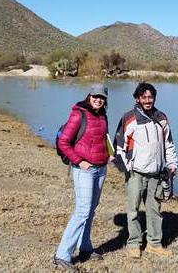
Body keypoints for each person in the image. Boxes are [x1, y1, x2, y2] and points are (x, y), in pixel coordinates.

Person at [114, 82, 177, 259]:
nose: (147, 100)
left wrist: (172, 164)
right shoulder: (129, 118)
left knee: (154, 210)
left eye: (150, 97)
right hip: (136, 174)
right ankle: (134, 243)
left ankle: (154, 244)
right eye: (144, 97)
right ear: (138, 98)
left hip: (156, 174)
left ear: (154, 98)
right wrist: (127, 168)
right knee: (133, 210)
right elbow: (119, 146)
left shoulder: (162, 117)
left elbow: (169, 144)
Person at [53, 84, 110, 271]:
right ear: (89, 95)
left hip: (101, 168)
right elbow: (63, 142)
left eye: (101, 97)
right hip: (84, 169)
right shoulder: (79, 114)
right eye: (95, 96)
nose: (98, 100)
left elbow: (103, 138)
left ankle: (85, 247)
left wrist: (109, 154)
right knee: (82, 211)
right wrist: (80, 161)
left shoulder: (103, 115)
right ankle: (62, 255)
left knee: (91, 210)